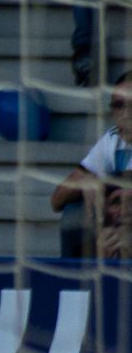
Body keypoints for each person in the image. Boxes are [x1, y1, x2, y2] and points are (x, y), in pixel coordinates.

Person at [53, 75, 132, 256]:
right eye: (119, 105)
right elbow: (56, 200)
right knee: (73, 215)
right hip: (119, 223)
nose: (125, 114)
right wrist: (87, 180)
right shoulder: (112, 140)